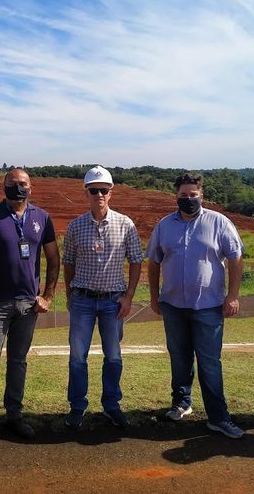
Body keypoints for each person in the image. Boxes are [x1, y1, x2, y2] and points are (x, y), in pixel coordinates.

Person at [0, 168, 59, 457]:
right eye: (12, 183)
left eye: (23, 184)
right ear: (3, 186)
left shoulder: (42, 218)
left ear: (31, 187)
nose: (18, 188)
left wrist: (48, 296)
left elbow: (53, 258)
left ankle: (14, 416)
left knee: (18, 362)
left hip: (28, 305)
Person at [146, 173, 245, 439]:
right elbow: (153, 262)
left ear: (202, 195)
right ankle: (181, 403)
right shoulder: (164, 226)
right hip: (173, 306)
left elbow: (236, 258)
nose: (188, 199)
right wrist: (154, 297)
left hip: (208, 306)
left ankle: (218, 417)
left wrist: (233, 295)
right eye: (183, 195)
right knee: (179, 358)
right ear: (176, 196)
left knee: (209, 362)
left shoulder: (219, 222)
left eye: (193, 195)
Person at [63, 166, 143, 429]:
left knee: (114, 356)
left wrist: (129, 296)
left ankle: (111, 405)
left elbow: (136, 261)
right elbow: (68, 262)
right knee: (77, 357)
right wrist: (70, 295)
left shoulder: (125, 224)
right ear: (86, 193)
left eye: (103, 190)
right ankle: (77, 407)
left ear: (111, 193)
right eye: (93, 190)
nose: (99, 194)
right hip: (83, 299)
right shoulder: (76, 226)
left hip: (113, 301)